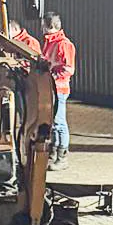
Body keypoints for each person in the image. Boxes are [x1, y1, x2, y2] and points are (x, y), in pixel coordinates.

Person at [41, 12, 76, 170]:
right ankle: (54, 154)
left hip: (59, 88)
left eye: (43, 24)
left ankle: (62, 158)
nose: (41, 27)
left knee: (59, 123)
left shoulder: (63, 44)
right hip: (52, 87)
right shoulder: (50, 42)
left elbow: (68, 69)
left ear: (49, 25)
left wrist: (52, 75)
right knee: (54, 123)